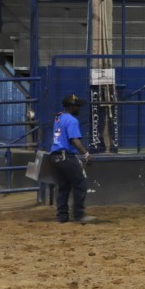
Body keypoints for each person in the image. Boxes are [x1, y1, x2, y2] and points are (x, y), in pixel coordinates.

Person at [50, 94, 96, 224]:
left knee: (63, 187)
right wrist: (86, 153)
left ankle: (62, 216)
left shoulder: (59, 118)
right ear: (72, 106)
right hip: (66, 156)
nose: (79, 108)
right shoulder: (72, 121)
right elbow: (74, 140)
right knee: (80, 184)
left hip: (55, 156)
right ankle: (79, 215)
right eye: (77, 106)